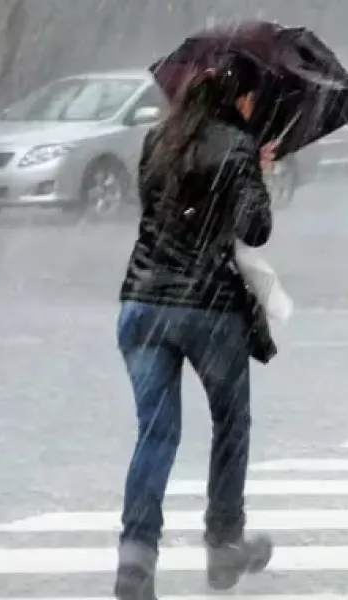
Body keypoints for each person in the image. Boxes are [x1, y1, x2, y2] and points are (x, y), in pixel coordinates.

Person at [113, 54, 276, 600]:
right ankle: (223, 544)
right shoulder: (238, 146)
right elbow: (257, 228)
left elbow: (156, 210)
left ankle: (136, 559)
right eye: (252, 98)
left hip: (141, 304)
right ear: (238, 99)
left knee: (156, 433)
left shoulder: (156, 140)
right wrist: (256, 173)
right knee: (231, 423)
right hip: (208, 309)